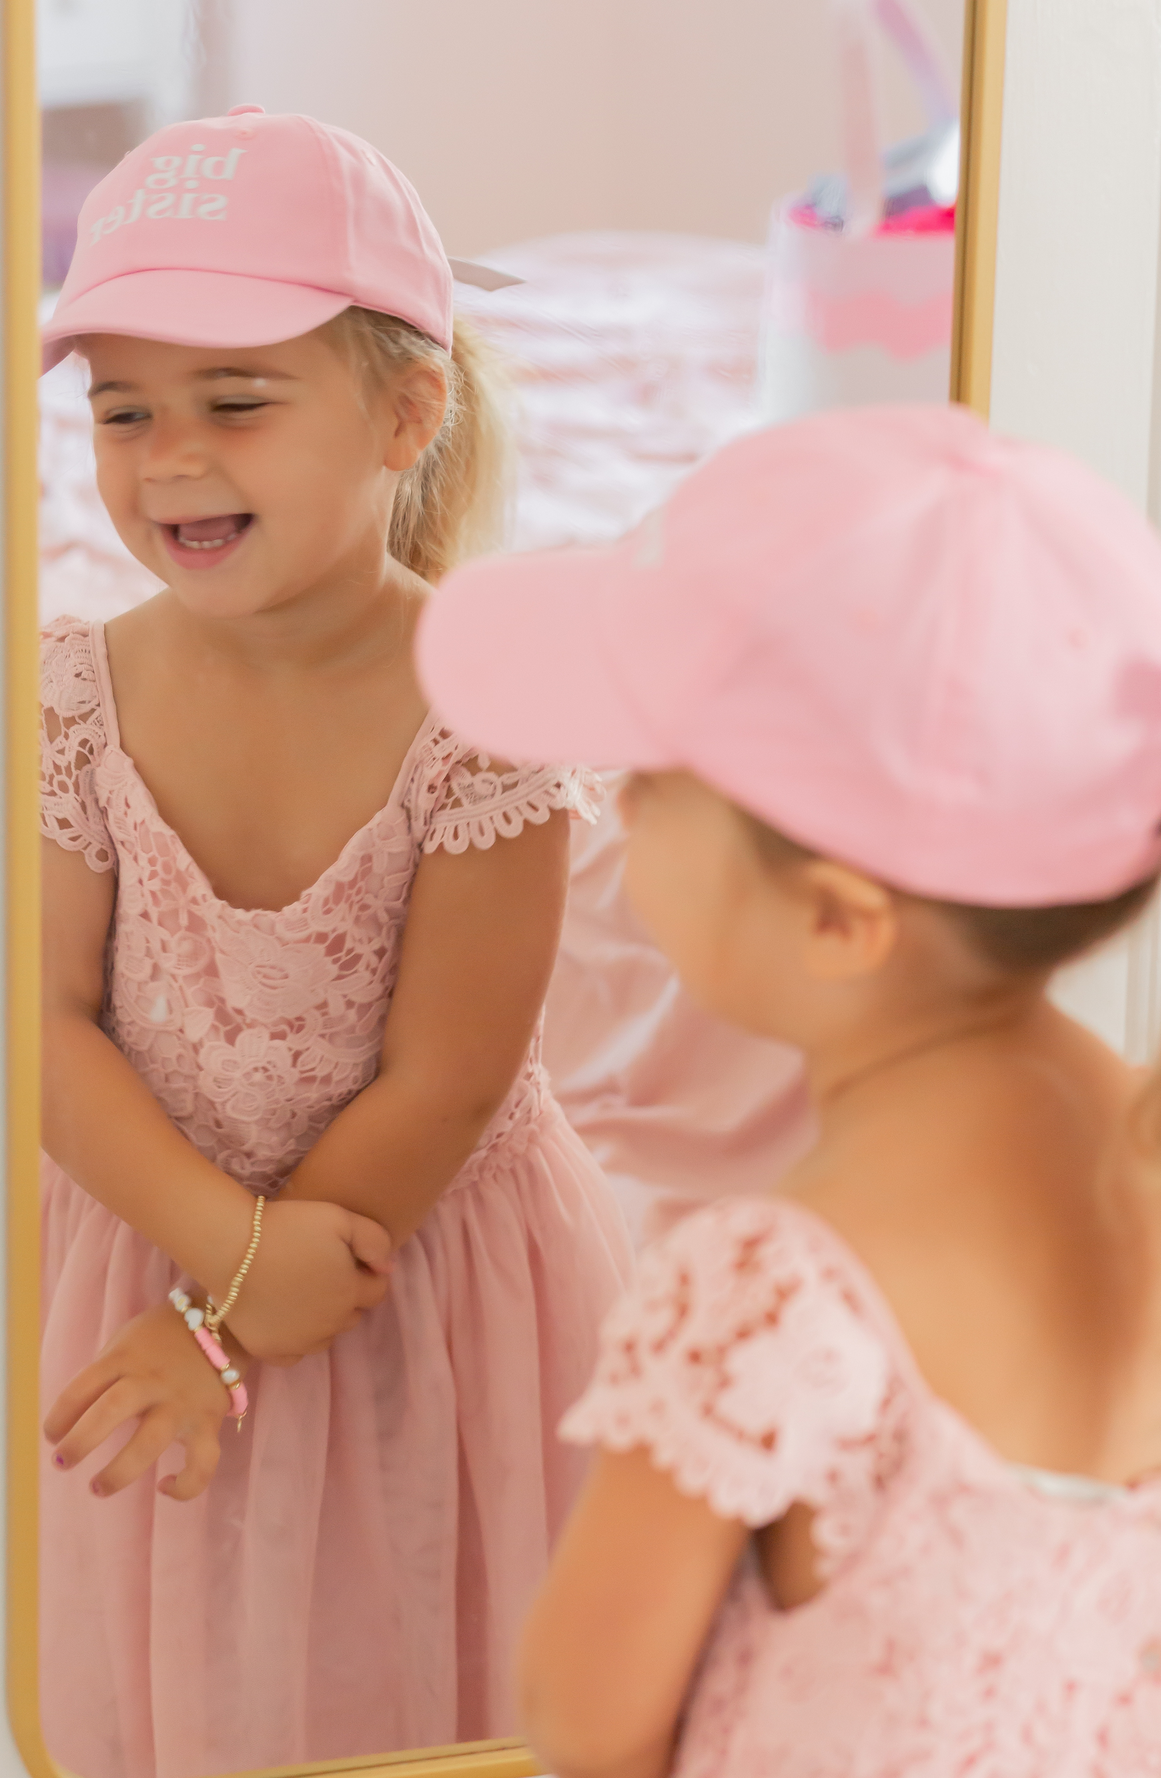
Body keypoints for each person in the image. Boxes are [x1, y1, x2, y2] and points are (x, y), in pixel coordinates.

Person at [417, 405, 1161, 1777]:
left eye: (652, 781)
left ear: (841, 918)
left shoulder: (769, 1283)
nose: (612, 808)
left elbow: (585, 1714)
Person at [38, 107, 631, 1778]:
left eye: (234, 403)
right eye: (122, 412)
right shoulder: (74, 694)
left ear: (406, 412)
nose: (167, 460)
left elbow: (451, 1073)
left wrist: (248, 1303)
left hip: (417, 1266)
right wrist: (215, 1262)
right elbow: (44, 1020)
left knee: (413, 1658)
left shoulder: (482, 704)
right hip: (142, 1238)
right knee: (166, 1663)